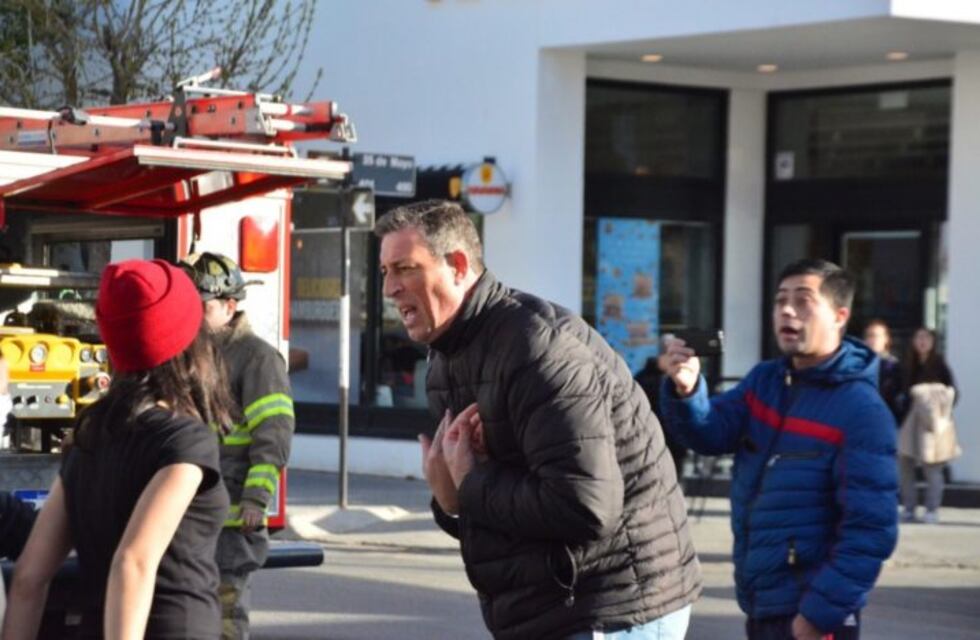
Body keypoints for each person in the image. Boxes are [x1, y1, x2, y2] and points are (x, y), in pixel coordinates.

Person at [376, 200, 701, 640]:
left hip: (614, 607)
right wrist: (451, 500)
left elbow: (584, 506)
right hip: (550, 608)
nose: (390, 289)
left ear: (456, 265)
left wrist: (469, 485)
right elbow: (497, 500)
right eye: (385, 272)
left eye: (405, 268)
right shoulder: (447, 358)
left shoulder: (537, 348)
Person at [660, 258, 898, 640]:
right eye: (780, 300)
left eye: (803, 300)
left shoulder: (861, 411)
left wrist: (818, 616)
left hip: (813, 615)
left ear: (840, 315)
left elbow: (870, 531)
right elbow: (709, 434)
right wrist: (687, 391)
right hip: (763, 602)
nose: (787, 310)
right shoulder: (765, 381)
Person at [1, 259, 233, 640]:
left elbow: (29, 576)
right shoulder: (184, 442)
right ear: (189, 342)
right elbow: (133, 564)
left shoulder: (88, 438)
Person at [180, 252, 294, 640]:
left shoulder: (257, 359)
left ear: (229, 306)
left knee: (225, 619)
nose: (192, 315)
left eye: (202, 306)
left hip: (232, 524)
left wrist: (255, 499)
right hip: (191, 518)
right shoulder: (194, 354)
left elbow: (274, 433)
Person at [897, 327, 958, 524]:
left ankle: (932, 509)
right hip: (909, 423)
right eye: (919, 337)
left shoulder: (939, 364)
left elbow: (954, 393)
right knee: (904, 464)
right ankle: (909, 507)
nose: (922, 341)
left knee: (932, 467)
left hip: (932, 425)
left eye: (926, 337)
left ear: (933, 342)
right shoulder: (907, 363)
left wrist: (937, 411)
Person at [862, 319, 902, 422]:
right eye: (869, 336)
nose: (872, 340)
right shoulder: (858, 364)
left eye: (876, 336)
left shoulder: (893, 365)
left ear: (886, 339)